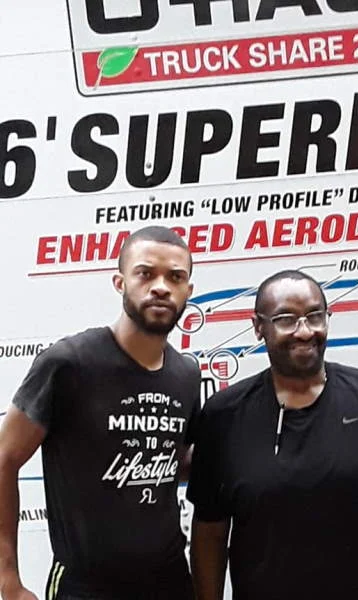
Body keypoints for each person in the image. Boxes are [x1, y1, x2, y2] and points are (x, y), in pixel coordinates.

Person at [187, 270, 358, 600]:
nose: (305, 331)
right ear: (258, 327)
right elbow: (210, 532)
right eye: (286, 319)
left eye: (314, 316)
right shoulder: (224, 415)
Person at [0, 226, 201, 600]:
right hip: (87, 586)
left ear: (188, 290)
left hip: (170, 581)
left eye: (175, 277)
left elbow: (175, 461)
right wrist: (6, 578)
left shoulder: (187, 375)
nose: (161, 287)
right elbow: (4, 458)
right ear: (120, 282)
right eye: (145, 273)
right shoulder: (70, 363)